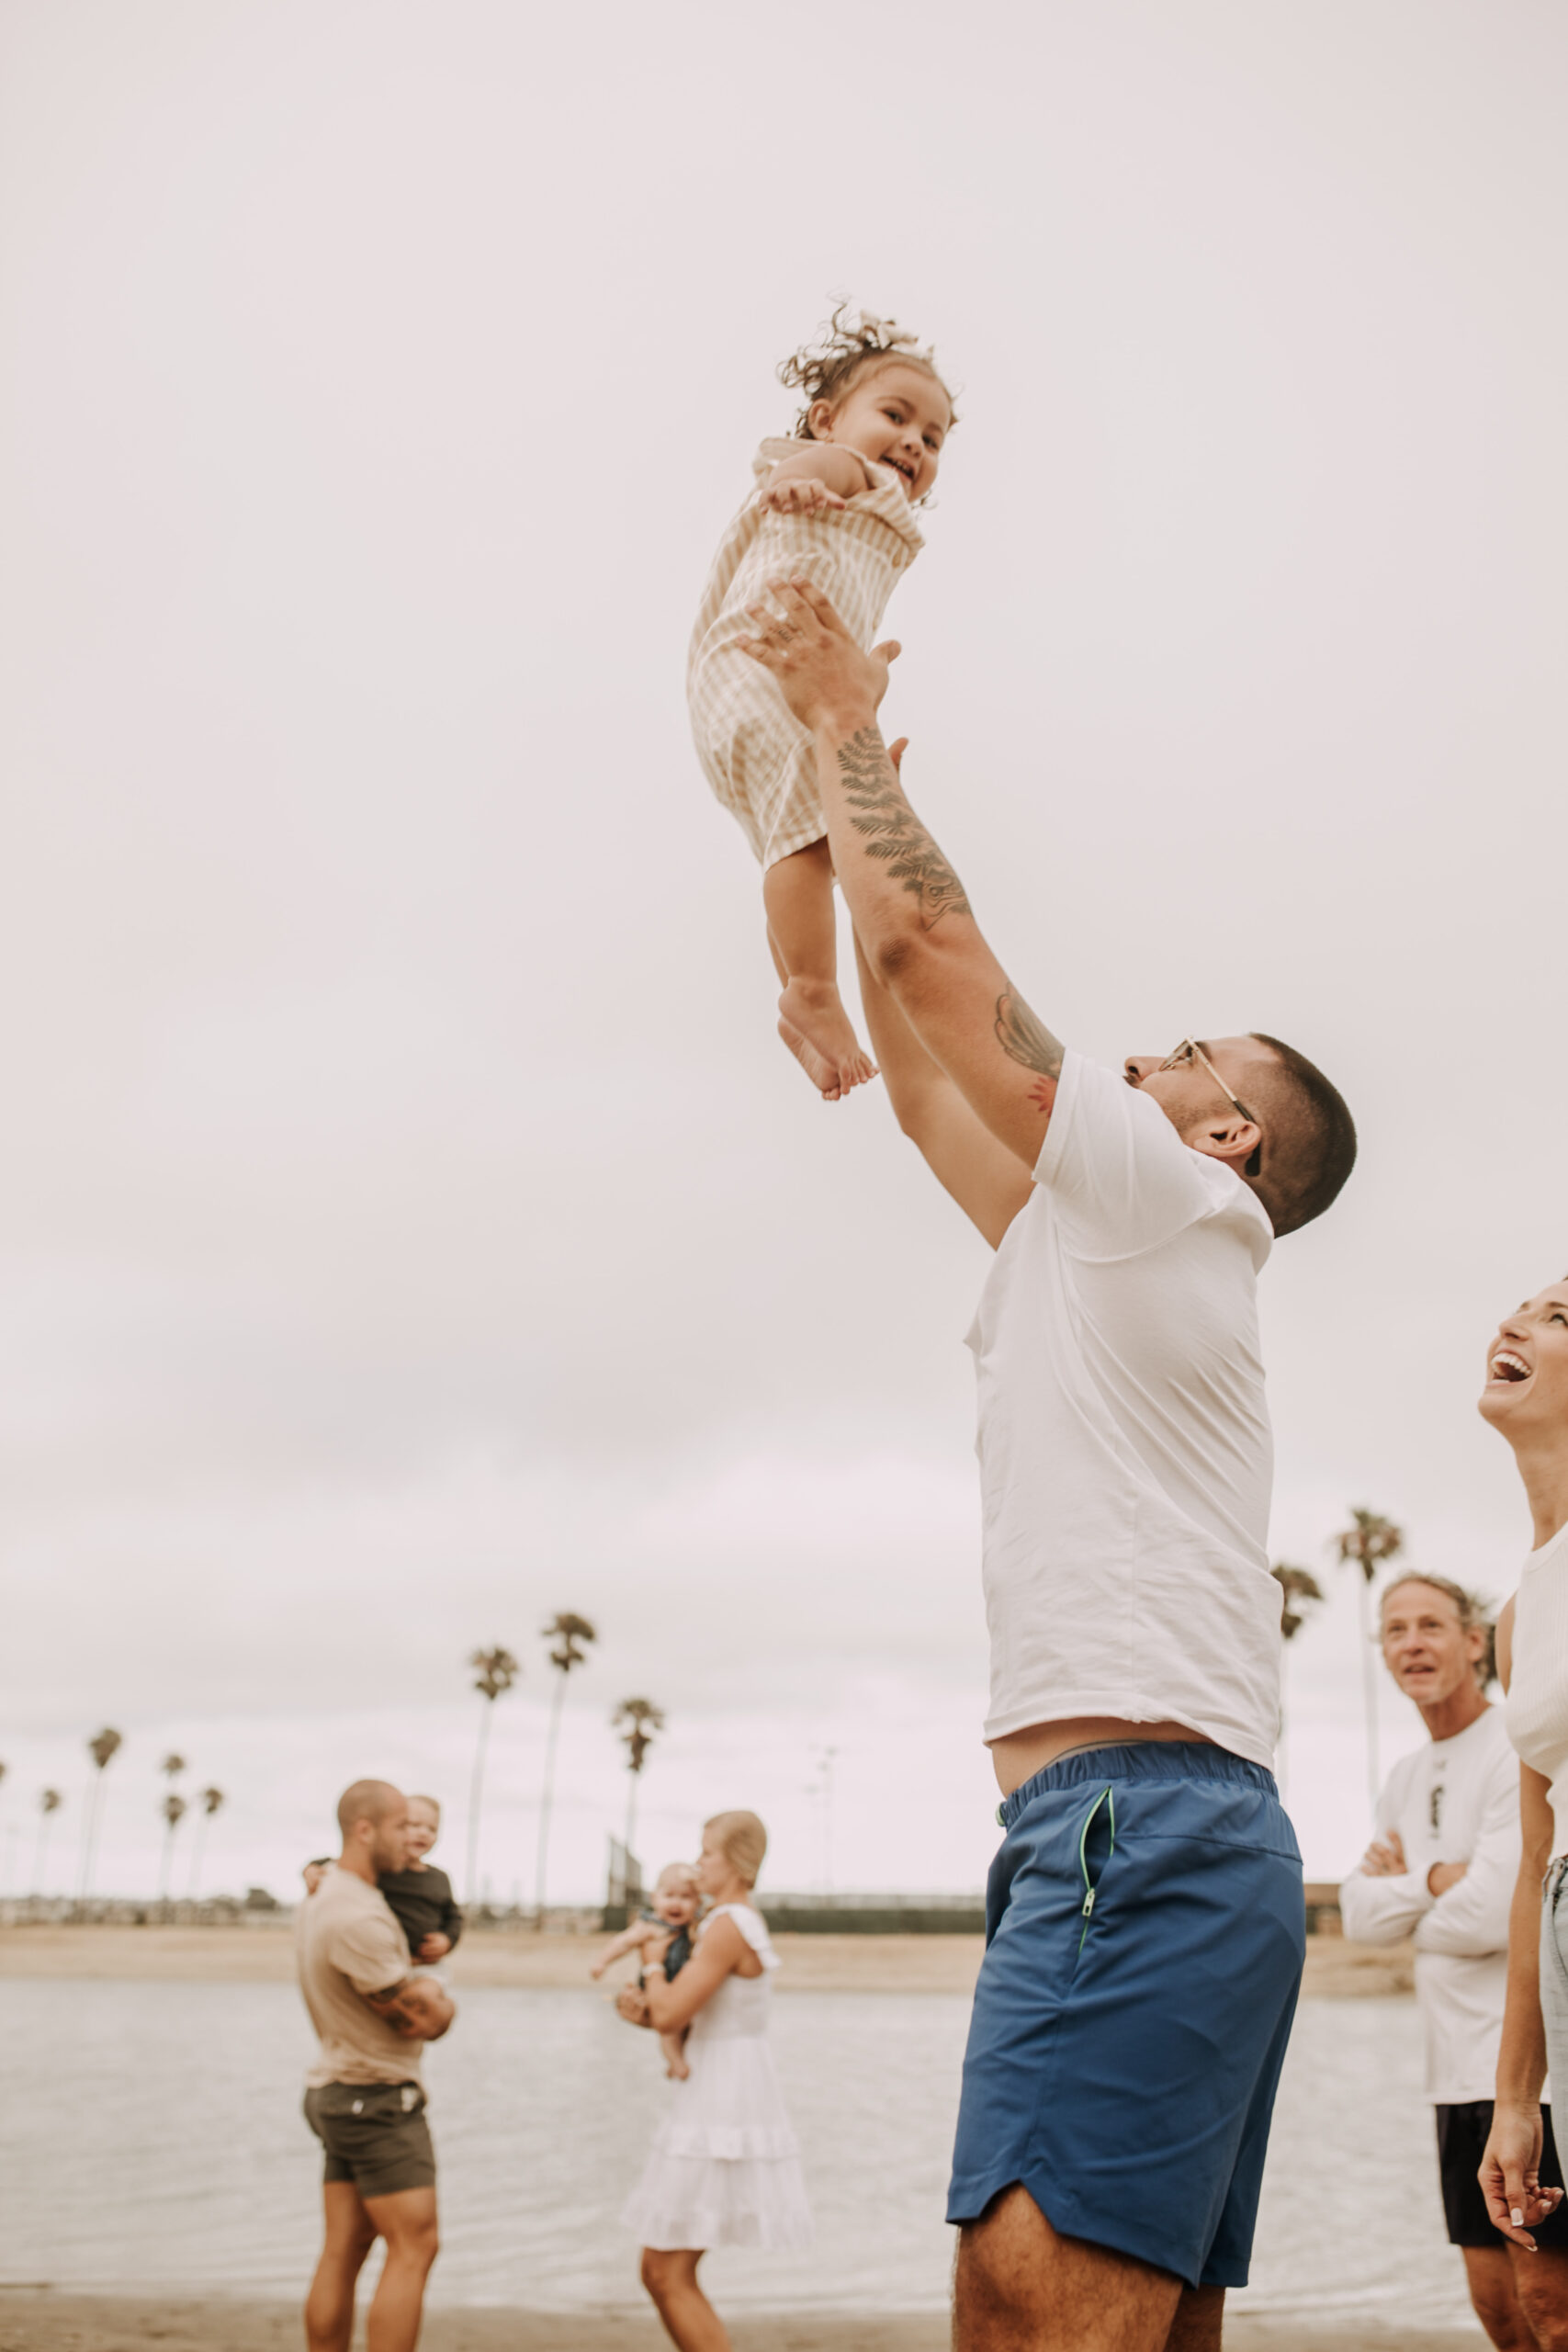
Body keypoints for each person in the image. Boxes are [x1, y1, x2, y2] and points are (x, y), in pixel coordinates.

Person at [739, 581, 1357, 2352]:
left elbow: (950, 974)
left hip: (1135, 1828)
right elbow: (926, 1054)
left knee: (1022, 2312)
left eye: (1187, 1056)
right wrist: (818, 803)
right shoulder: (1084, 1239)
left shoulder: (1180, 1199)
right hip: (1123, 1828)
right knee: (1088, 2322)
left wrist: (851, 729)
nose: (1142, 1053)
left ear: (1228, 1135)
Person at [688, 305, 953, 1101]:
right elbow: (809, 473)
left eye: (934, 439)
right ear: (829, 419)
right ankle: (812, 987)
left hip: (752, 681)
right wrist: (801, 482)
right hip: (766, 665)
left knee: (804, 843)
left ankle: (800, 995)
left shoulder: (878, 501)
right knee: (805, 846)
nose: (913, 443)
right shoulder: (844, 469)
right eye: (896, 416)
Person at [1341, 1575, 1565, 2346]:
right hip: (1450, 2083)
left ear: (1473, 1642)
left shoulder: (1513, 1747)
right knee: (1498, 2316)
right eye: (1394, 1630)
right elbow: (1357, 1917)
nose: (1411, 1644)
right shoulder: (1404, 1776)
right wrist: (1439, 1881)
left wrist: (1404, 1896)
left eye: (1430, 1625)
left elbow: (1498, 1909)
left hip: (1526, 2079)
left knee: (1551, 2308)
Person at [619, 1812, 811, 2349]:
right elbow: (679, 2016)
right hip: (719, 2085)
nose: (699, 1863)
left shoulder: (728, 1924)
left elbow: (670, 2013)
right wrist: (643, 2009)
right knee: (664, 2269)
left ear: (737, 1862)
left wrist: (654, 1962)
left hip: (722, 2101)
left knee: (664, 2270)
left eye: (707, 1853)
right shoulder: (723, 1920)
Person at [1476, 1279, 1568, 2350]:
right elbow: (1534, 1862)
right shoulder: (1518, 1608)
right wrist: (1515, 2098)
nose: (1513, 1324)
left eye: (1559, 1319)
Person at [296, 1779, 457, 2352]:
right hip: (376, 2099)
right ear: (365, 1830)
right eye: (398, 1826)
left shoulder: (326, 1893)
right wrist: (439, 1999)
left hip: (337, 2089)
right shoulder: (357, 1915)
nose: (411, 1839)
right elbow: (420, 2021)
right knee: (416, 2247)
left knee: (345, 2247)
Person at [302, 1794, 462, 1968]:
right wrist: (312, 1867)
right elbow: (343, 1862)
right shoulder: (382, 1869)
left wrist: (447, 1940)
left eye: (432, 1829)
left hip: (425, 1965)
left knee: (427, 1992)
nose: (423, 1833)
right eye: (414, 1825)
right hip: (381, 1961)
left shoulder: (439, 1878)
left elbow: (454, 1917)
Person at [591, 1860, 702, 2076]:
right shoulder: (650, 1926)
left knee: (688, 2025)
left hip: (684, 1986)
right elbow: (622, 1942)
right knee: (667, 2029)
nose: (676, 1904)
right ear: (654, 1898)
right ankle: (675, 2062)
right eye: (669, 1896)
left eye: (686, 1897)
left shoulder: (695, 1927)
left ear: (698, 1902)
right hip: (656, 1989)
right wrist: (602, 1962)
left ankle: (684, 2058)